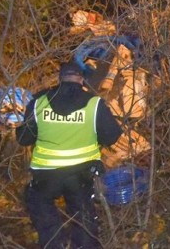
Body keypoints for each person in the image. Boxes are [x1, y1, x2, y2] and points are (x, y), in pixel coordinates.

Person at [16, 61, 123, 248]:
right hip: (81, 175)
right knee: (84, 217)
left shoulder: (38, 102)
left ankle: (55, 243)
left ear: (60, 78)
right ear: (81, 79)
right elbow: (112, 136)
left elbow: (24, 138)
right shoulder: (93, 103)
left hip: (46, 175)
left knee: (41, 208)